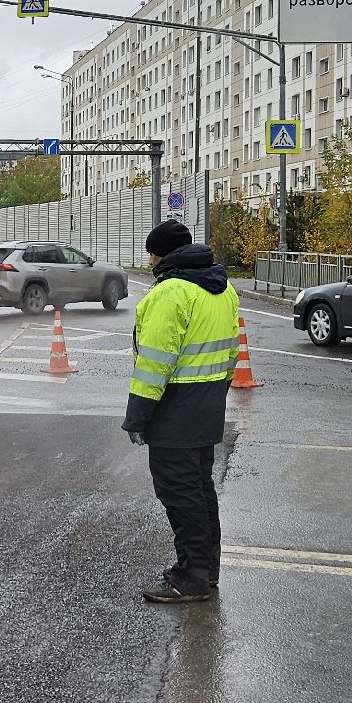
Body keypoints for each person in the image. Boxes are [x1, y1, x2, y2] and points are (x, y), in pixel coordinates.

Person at [122, 219, 240, 604]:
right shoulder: (223, 288)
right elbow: (232, 352)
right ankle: (205, 570)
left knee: (180, 493)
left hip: (175, 409)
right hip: (207, 405)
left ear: (163, 255)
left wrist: (138, 416)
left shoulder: (170, 293)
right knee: (200, 489)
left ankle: (191, 578)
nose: (149, 260)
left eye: (152, 253)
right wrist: (216, 394)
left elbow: (155, 364)